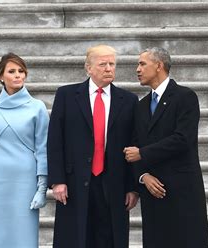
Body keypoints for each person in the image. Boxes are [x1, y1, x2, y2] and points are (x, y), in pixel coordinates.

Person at [47, 44, 139, 248]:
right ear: (88, 68)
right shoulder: (66, 95)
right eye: (103, 64)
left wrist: (132, 187)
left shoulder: (129, 100)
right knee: (76, 238)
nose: (109, 69)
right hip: (74, 181)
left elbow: (134, 143)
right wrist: (57, 181)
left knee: (110, 238)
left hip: (113, 182)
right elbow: (55, 140)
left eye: (112, 64)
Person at [124, 47, 208, 248]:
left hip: (182, 188)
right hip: (153, 190)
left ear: (159, 65)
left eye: (142, 64)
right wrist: (143, 176)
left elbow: (183, 139)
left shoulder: (185, 97)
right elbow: (134, 144)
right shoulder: (141, 105)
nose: (137, 69)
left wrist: (143, 154)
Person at [0, 53, 49, 247]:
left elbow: (43, 149)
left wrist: (42, 187)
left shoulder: (37, 107)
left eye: (21, 71)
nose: (18, 75)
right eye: (12, 71)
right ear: (1, 77)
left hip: (25, 179)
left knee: (25, 236)